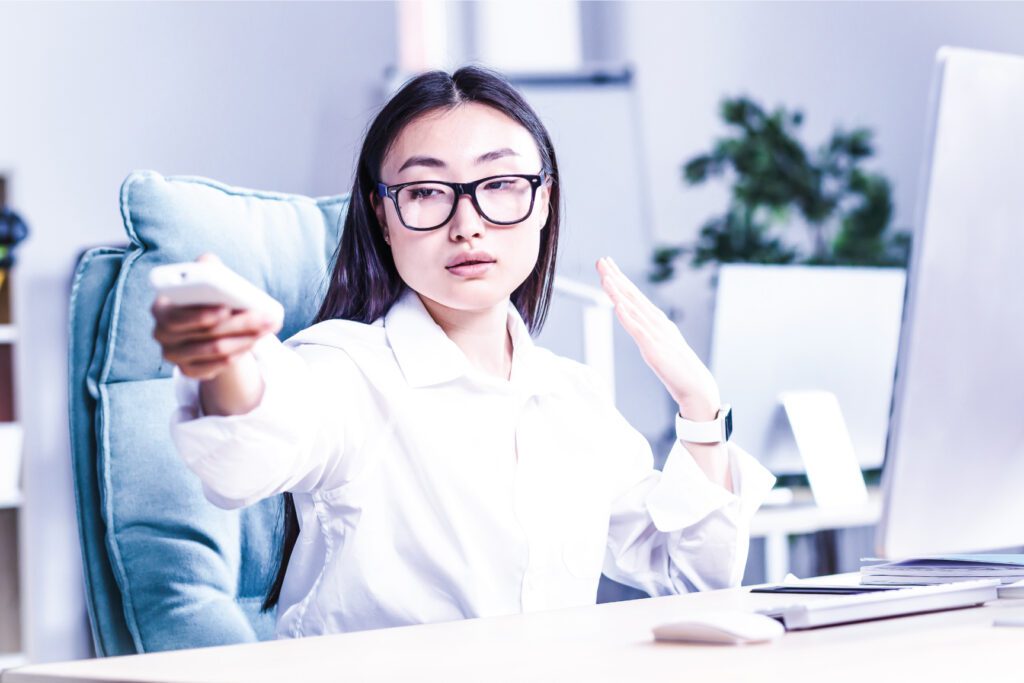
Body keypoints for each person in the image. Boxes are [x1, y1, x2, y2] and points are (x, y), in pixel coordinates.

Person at [151, 65, 776, 638]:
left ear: (545, 200)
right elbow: (254, 446)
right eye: (425, 192)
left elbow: (690, 579)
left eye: (500, 183)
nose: (466, 224)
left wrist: (700, 408)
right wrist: (225, 359)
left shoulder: (571, 396)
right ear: (382, 214)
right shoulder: (347, 367)